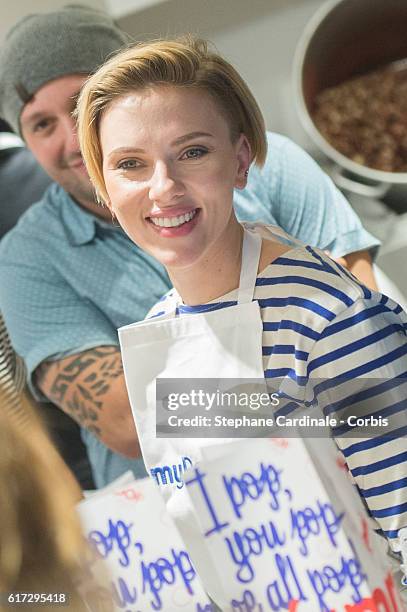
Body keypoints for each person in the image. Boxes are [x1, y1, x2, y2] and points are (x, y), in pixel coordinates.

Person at [76, 36, 407, 601]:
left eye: (193, 151)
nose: (163, 187)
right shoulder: (167, 330)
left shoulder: (331, 316)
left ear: (242, 160)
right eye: (131, 164)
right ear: (105, 189)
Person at [0, 6, 380, 488]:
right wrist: (314, 394)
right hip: (171, 520)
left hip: (344, 473)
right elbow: (126, 419)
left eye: (80, 106)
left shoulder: (274, 164)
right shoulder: (26, 259)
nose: (73, 140)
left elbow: (360, 331)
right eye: (40, 124)